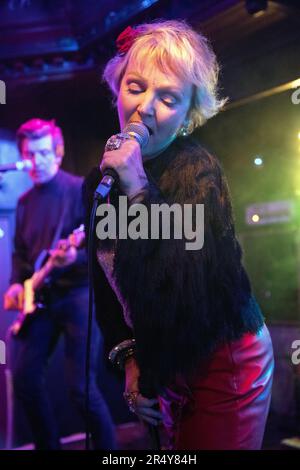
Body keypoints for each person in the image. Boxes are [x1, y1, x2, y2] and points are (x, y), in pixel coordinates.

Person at [83, 20, 274, 450]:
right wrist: (130, 358)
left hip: (222, 362)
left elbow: (184, 291)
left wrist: (138, 191)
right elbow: (108, 287)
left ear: (188, 118)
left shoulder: (197, 172)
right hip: (162, 362)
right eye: (136, 87)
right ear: (118, 89)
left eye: (167, 98)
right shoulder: (98, 180)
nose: (144, 107)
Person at [3, 118, 116, 450]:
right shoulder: (24, 202)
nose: (35, 161)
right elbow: (22, 255)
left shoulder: (79, 189)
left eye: (42, 153)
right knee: (24, 378)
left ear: (58, 151)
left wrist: (74, 259)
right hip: (42, 298)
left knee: (81, 389)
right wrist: (15, 284)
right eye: (29, 154)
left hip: (79, 294)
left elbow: (101, 248)